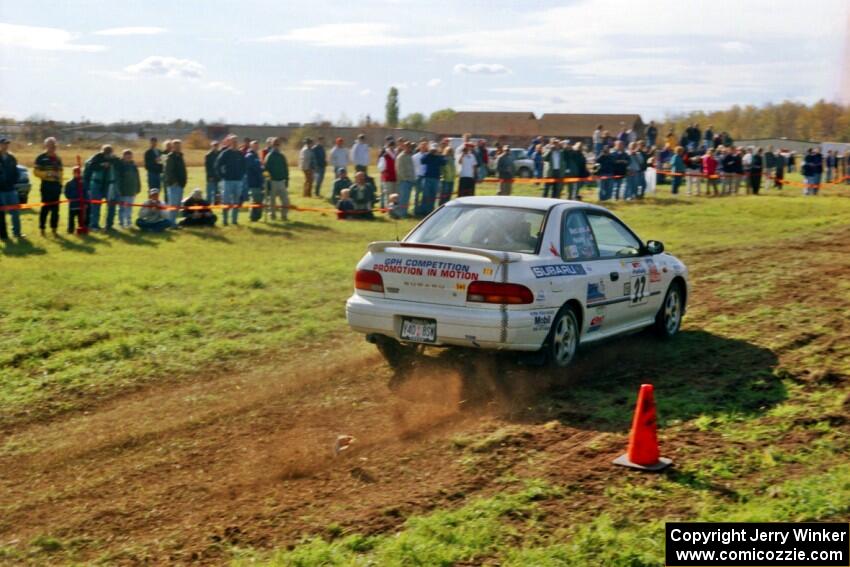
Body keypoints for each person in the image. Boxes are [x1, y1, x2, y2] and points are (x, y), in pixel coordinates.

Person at [34, 136, 64, 235]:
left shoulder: (58, 158)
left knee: (55, 210)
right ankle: (42, 229)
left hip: (56, 186)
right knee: (45, 208)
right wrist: (47, 174)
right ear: (46, 145)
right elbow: (35, 172)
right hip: (46, 185)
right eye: (50, 145)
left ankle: (54, 229)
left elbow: (61, 172)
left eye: (54, 145)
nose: (52, 147)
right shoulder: (41, 158)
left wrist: (60, 184)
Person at [215, 135, 247, 225]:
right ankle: (225, 221)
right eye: (233, 141)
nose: (235, 143)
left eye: (236, 141)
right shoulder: (225, 153)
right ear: (229, 142)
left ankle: (234, 221)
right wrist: (222, 176)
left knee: (236, 202)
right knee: (226, 202)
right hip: (227, 181)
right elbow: (217, 165)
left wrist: (241, 175)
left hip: (238, 181)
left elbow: (244, 166)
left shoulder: (240, 154)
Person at [83, 145, 113, 230]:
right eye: (106, 153)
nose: (107, 155)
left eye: (109, 153)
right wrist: (102, 165)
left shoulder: (112, 158)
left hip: (107, 184)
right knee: (95, 205)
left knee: (110, 205)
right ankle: (94, 225)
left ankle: (108, 225)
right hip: (96, 184)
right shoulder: (97, 157)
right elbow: (91, 167)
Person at [0, 137, 23, 240]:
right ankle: (3, 235)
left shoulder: (12, 158)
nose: (5, 146)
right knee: (1, 215)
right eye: (3, 144)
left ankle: (17, 233)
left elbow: (16, 172)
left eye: (7, 144)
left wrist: (14, 181)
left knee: (16, 212)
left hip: (11, 189)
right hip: (0, 190)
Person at [264, 137, 290, 220]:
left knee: (286, 201)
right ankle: (272, 215)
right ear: (272, 145)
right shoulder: (269, 156)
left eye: (278, 144)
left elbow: (285, 168)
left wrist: (287, 179)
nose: (277, 146)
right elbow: (266, 170)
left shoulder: (282, 156)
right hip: (272, 182)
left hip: (282, 181)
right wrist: (268, 183)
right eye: (275, 144)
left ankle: (284, 216)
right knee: (272, 201)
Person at [115, 149, 141, 228]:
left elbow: (137, 178)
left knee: (129, 207)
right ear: (123, 156)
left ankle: (129, 222)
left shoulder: (133, 166)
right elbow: (118, 179)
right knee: (122, 208)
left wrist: (138, 188)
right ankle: (121, 223)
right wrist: (118, 190)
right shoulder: (120, 166)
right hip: (123, 191)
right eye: (127, 156)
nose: (129, 158)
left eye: (130, 156)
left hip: (132, 191)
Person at [417, 143, 445, 216]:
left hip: (436, 178)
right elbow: (422, 161)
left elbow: (444, 162)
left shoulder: (439, 157)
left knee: (433, 195)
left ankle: (430, 210)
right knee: (426, 195)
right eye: (432, 149)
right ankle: (423, 210)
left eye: (434, 149)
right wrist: (429, 153)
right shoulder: (428, 156)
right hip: (427, 178)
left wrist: (439, 154)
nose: (433, 151)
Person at [163, 139, 187, 223]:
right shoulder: (170, 157)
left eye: (179, 146)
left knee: (177, 205)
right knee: (173, 205)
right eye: (176, 146)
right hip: (173, 184)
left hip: (180, 184)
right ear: (173, 147)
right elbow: (168, 171)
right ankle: (170, 222)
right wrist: (174, 181)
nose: (178, 148)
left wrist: (183, 181)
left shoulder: (180, 156)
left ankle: (174, 222)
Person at [241, 140, 264, 221]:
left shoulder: (256, 155)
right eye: (254, 145)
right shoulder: (249, 156)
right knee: (255, 200)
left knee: (259, 200)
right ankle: (253, 217)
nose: (256, 147)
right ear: (251, 146)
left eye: (257, 146)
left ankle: (257, 217)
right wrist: (261, 169)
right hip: (253, 182)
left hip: (259, 181)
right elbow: (254, 168)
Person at [64, 166, 87, 234]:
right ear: (73, 173)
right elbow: (66, 192)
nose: (78, 174)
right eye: (76, 173)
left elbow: (85, 192)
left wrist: (85, 201)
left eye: (79, 173)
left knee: (81, 218)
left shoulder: (83, 183)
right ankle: (70, 230)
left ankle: (81, 229)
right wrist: (70, 198)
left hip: (81, 204)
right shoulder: (69, 183)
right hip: (73, 204)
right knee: (71, 218)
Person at [377, 137, 397, 208]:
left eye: (393, 145)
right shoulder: (385, 155)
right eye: (391, 145)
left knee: (394, 194)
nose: (392, 146)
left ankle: (394, 208)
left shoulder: (396, 154)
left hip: (395, 177)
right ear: (388, 146)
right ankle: (387, 208)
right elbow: (380, 167)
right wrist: (384, 172)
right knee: (388, 194)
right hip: (388, 178)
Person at [204, 141, 220, 205]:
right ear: (212, 146)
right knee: (210, 192)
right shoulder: (208, 155)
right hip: (211, 177)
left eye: (217, 145)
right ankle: (208, 204)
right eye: (214, 146)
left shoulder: (220, 154)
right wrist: (210, 176)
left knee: (217, 192)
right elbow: (207, 167)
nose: (215, 147)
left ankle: (217, 204)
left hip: (218, 177)